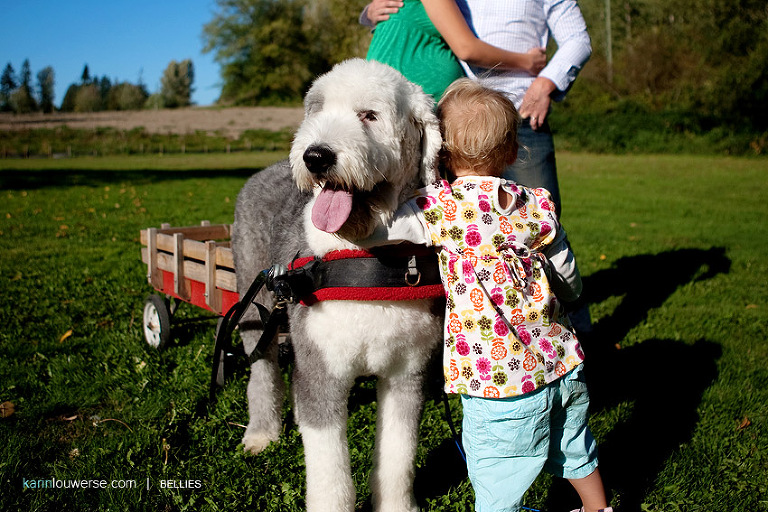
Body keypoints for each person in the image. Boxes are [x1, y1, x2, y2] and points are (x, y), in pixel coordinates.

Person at [360, 79, 611, 512]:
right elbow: (568, 272)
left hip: (498, 381)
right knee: (575, 445)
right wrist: (569, 296)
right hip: (561, 363)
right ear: (513, 152)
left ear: (441, 153)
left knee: (497, 475)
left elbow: (379, 230)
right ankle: (597, 509)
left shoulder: (441, 207)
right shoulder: (535, 204)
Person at [362, 0, 594, 335]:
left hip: (521, 112)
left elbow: (577, 39)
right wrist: (367, 14)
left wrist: (547, 82)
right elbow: (453, 40)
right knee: (449, 233)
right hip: (457, 124)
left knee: (540, 229)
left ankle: (571, 336)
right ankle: (464, 335)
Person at [361, 0, 547, 100]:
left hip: (400, 105)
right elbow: (467, 48)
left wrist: (368, 13)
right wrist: (527, 62)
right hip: (405, 108)